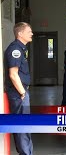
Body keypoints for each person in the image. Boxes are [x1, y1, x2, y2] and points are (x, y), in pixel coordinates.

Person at [4, 22, 33, 155]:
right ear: (20, 34)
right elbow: (13, 74)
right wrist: (22, 93)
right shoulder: (15, 49)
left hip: (21, 91)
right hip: (18, 93)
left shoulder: (21, 49)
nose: (32, 34)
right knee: (22, 125)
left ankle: (27, 152)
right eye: (29, 32)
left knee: (25, 124)